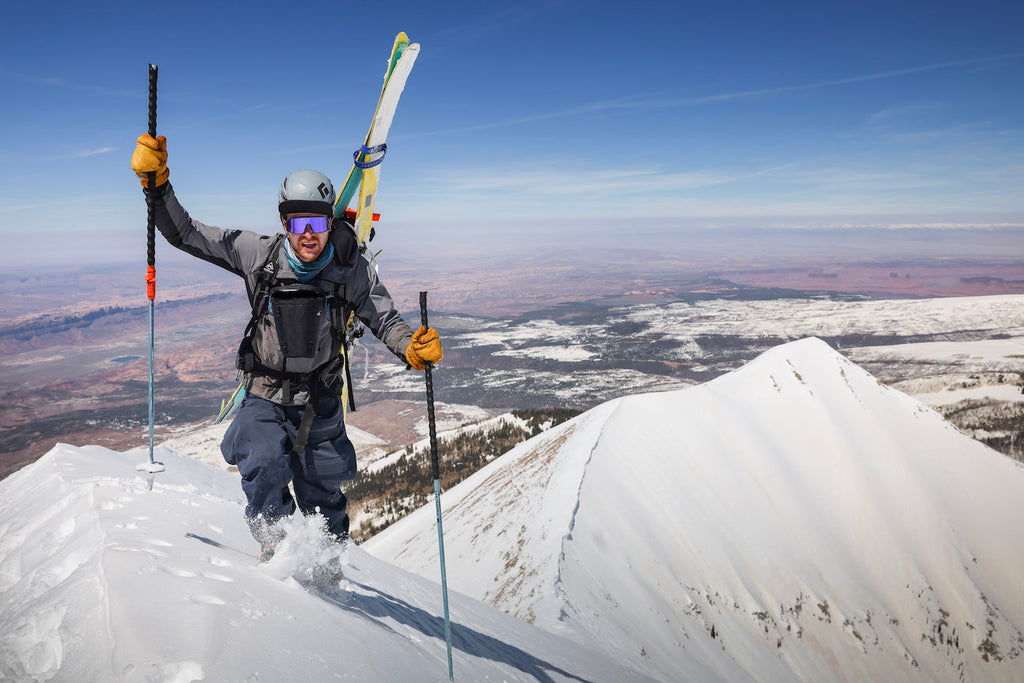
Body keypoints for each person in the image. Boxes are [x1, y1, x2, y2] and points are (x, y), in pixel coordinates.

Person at [131, 133, 443, 560]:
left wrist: (410, 346)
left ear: (331, 223)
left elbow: (384, 318)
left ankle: (327, 565)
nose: (309, 234)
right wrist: (157, 186)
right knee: (262, 461)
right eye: (299, 223)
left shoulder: (350, 270)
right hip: (264, 393)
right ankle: (276, 549)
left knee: (323, 490)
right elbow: (186, 234)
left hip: (320, 398)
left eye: (317, 223)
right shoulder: (258, 255)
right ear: (285, 225)